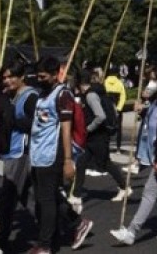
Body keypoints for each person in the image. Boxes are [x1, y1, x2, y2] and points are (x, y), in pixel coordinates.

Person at [110, 66, 157, 245]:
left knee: (149, 193)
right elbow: (154, 120)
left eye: (154, 80)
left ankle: (131, 231)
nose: (151, 84)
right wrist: (143, 110)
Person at [29, 57, 93, 254]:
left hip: (53, 154)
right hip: (37, 154)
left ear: (56, 74)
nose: (39, 79)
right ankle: (77, 222)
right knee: (47, 197)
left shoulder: (62, 94)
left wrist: (67, 161)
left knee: (47, 199)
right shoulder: (42, 94)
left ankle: (45, 245)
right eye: (38, 76)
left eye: (43, 76)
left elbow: (66, 129)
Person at [0, 61, 39, 252]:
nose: (7, 80)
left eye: (11, 76)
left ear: (21, 76)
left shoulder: (30, 96)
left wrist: (12, 118)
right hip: (9, 151)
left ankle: (0, 241)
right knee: (27, 196)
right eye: (4, 77)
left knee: (7, 197)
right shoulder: (9, 95)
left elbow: (35, 125)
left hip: (21, 152)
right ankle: (62, 222)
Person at [72, 69, 129, 203]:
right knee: (82, 163)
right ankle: (76, 194)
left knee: (104, 163)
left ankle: (124, 187)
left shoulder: (91, 95)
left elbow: (100, 116)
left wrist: (88, 129)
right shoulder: (92, 93)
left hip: (98, 136)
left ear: (80, 83)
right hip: (94, 137)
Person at [103, 67, 127, 153]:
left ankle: (106, 145)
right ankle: (118, 148)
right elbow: (123, 96)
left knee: (106, 126)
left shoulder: (105, 82)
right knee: (119, 127)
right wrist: (119, 108)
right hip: (117, 106)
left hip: (107, 107)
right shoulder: (120, 83)